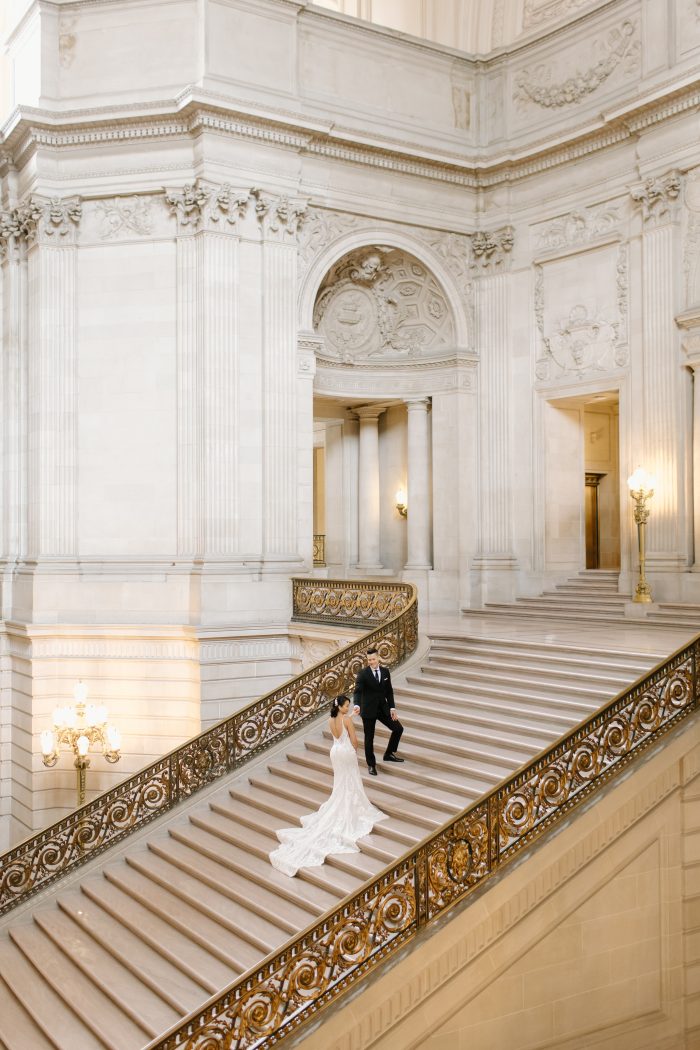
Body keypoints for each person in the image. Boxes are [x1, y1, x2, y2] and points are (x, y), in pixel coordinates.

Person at [269, 695, 387, 878]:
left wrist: (351, 717)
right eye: (346, 706)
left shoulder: (331, 719)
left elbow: (340, 729)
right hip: (346, 752)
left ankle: (342, 803)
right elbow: (353, 739)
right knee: (351, 781)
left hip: (335, 752)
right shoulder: (346, 719)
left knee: (341, 782)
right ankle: (352, 806)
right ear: (340, 706)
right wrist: (355, 750)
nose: (348, 708)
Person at [353, 646, 404, 776]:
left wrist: (392, 708)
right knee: (369, 739)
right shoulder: (363, 674)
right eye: (369, 660)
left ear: (378, 658)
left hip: (383, 708)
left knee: (398, 729)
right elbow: (357, 692)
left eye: (373, 659)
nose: (371, 662)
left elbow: (389, 691)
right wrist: (357, 705)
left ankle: (388, 754)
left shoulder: (385, 672)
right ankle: (371, 764)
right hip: (368, 710)